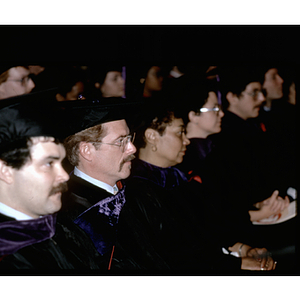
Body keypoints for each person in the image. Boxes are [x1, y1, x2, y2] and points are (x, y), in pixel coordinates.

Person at [112, 102, 276, 274]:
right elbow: (171, 257)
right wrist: (234, 264)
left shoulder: (177, 179)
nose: (186, 140)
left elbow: (207, 232)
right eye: (179, 132)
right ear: (152, 136)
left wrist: (242, 249)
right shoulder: (136, 194)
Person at [201, 65, 295, 271]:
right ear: (232, 97)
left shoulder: (252, 126)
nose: (261, 98)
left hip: (260, 216)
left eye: (261, 92)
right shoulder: (225, 139)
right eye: (254, 93)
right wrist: (260, 206)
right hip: (244, 228)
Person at [0, 97, 104, 273]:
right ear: (5, 171)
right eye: (49, 163)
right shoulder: (8, 257)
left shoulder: (66, 230)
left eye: (62, 163)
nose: (64, 175)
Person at [60, 97, 137, 270]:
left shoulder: (138, 191)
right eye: (121, 141)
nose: (132, 148)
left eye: (130, 138)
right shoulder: (72, 215)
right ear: (87, 151)